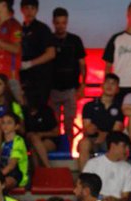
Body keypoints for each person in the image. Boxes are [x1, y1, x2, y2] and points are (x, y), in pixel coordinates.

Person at [47, 7, 85, 143]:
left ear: (67, 22)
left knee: (70, 124)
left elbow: (82, 64)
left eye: (63, 23)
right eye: (58, 23)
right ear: (53, 22)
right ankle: (58, 151)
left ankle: (69, 152)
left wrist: (82, 85)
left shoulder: (75, 40)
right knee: (54, 125)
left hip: (70, 89)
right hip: (52, 89)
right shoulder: (48, 39)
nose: (61, 26)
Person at [76, 73, 124, 169]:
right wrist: (98, 133)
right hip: (92, 140)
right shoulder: (89, 105)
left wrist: (104, 135)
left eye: (113, 83)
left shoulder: (120, 108)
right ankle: (84, 178)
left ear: (117, 89)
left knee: (119, 145)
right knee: (84, 143)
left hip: (110, 141)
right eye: (107, 83)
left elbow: (117, 130)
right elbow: (87, 128)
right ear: (102, 86)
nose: (109, 86)